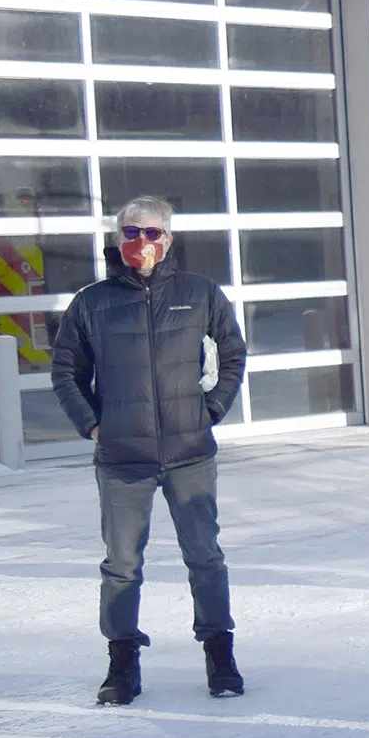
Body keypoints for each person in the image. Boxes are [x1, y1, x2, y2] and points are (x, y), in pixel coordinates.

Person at [51, 195, 248, 706]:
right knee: (121, 564)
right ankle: (122, 664)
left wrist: (213, 409)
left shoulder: (199, 294)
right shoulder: (91, 302)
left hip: (189, 453)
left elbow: (232, 351)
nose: (142, 243)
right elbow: (66, 370)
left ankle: (219, 654)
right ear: (119, 239)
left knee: (205, 557)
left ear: (168, 240)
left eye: (152, 233)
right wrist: (93, 426)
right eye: (132, 233)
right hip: (122, 459)